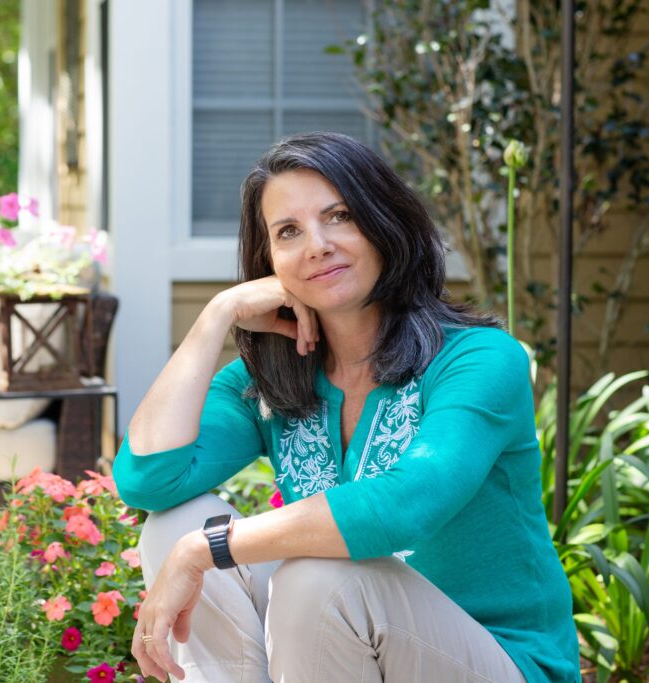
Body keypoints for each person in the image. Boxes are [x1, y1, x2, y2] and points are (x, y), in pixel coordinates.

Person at [112, 132, 581, 683]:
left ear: (384, 224)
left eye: (339, 217)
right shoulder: (276, 375)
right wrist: (216, 316)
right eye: (288, 231)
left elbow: (405, 506)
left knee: (315, 576)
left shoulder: (478, 359)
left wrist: (205, 550)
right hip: (343, 650)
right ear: (269, 261)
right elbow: (148, 479)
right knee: (176, 522)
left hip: (499, 662)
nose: (317, 245)